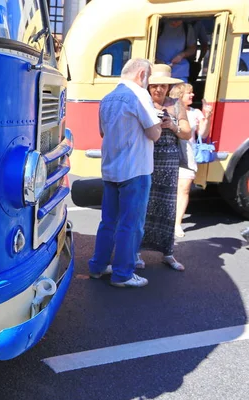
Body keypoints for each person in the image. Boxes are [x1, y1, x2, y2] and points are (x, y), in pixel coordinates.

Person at [88, 58, 162, 288]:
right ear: (141, 74)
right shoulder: (139, 96)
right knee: (131, 224)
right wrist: (162, 124)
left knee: (108, 221)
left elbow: (102, 132)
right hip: (135, 169)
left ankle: (98, 266)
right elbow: (153, 134)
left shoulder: (107, 98)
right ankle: (123, 274)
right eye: (148, 77)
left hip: (111, 168)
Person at [137, 65, 191, 272]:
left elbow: (186, 133)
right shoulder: (143, 103)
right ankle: (136, 251)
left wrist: (172, 125)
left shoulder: (176, 105)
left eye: (163, 86)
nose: (158, 90)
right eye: (154, 85)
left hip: (168, 159)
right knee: (143, 205)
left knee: (168, 206)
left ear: (168, 88)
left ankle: (167, 252)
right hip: (147, 157)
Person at [169, 83, 213, 237]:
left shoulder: (195, 112)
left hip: (188, 154)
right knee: (168, 190)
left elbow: (203, 134)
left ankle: (177, 224)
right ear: (180, 95)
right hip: (170, 153)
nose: (193, 95)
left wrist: (207, 117)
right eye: (189, 93)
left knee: (184, 189)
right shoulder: (170, 109)